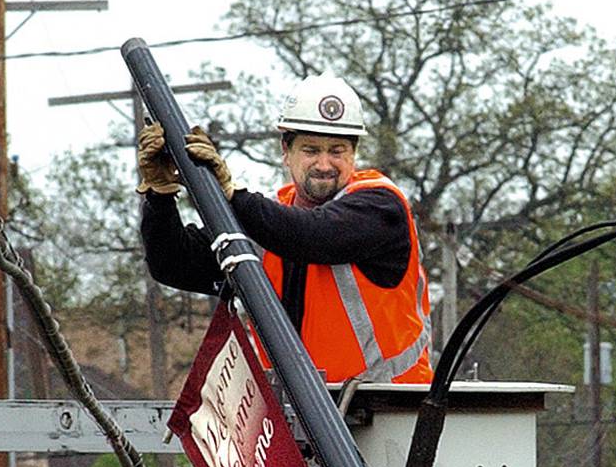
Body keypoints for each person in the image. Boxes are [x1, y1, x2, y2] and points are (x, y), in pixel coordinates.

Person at [137, 72, 432, 386]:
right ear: (286, 151)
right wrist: (160, 195)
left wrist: (232, 195)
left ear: (353, 154)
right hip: (294, 415)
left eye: (337, 151)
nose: (324, 164)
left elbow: (312, 236)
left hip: (393, 409)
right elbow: (171, 264)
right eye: (310, 150)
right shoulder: (265, 218)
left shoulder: (380, 205)